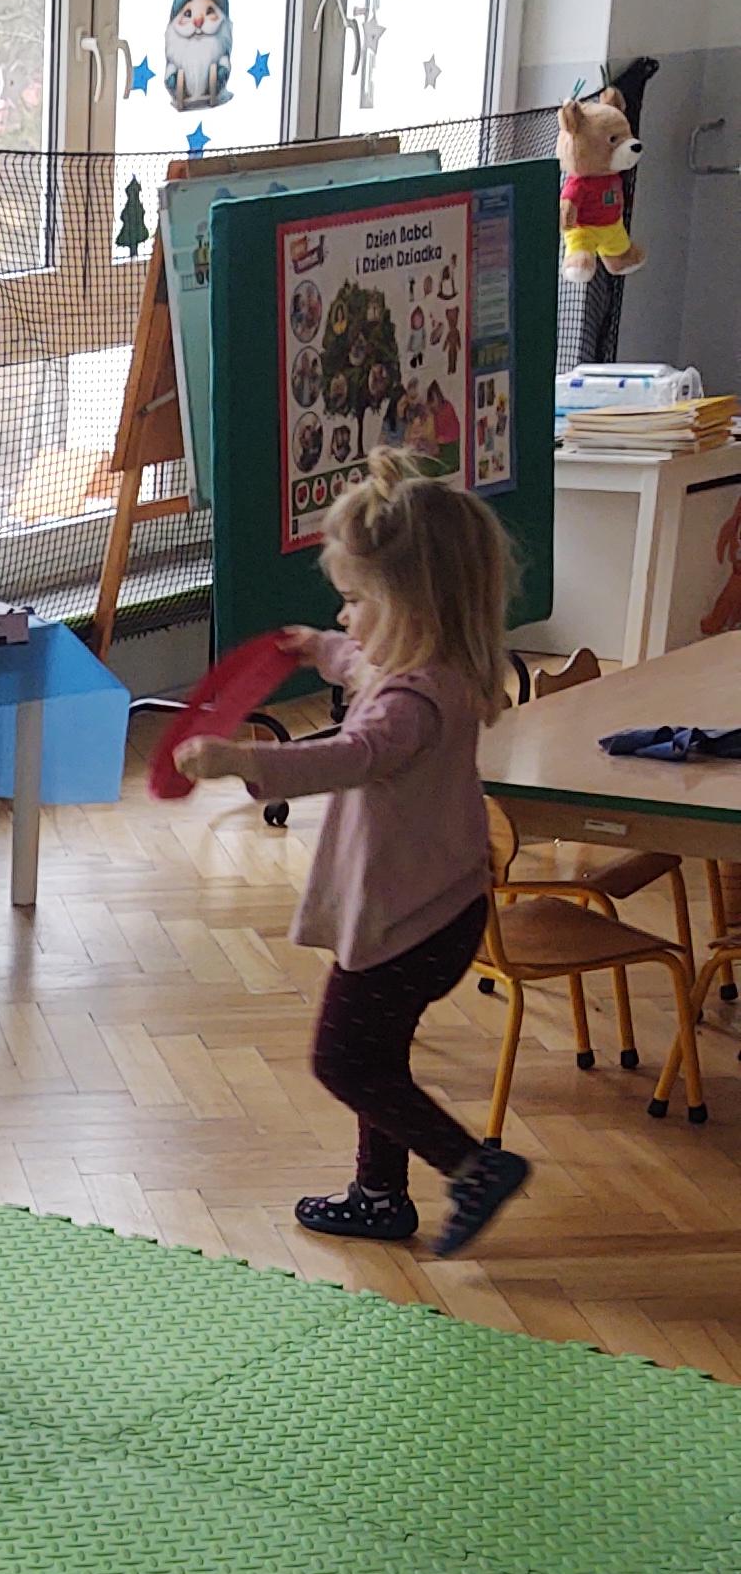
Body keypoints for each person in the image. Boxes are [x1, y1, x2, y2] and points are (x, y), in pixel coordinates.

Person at [172, 455, 525, 1257]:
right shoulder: (432, 667)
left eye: (357, 601)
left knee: (345, 1062)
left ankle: (473, 1168)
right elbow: (358, 661)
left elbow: (350, 755)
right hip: (440, 903)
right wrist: (319, 647)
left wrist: (239, 759)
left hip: (407, 918)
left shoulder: (408, 703)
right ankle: (378, 1196)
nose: (344, 613)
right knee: (378, 1054)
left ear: (410, 606)